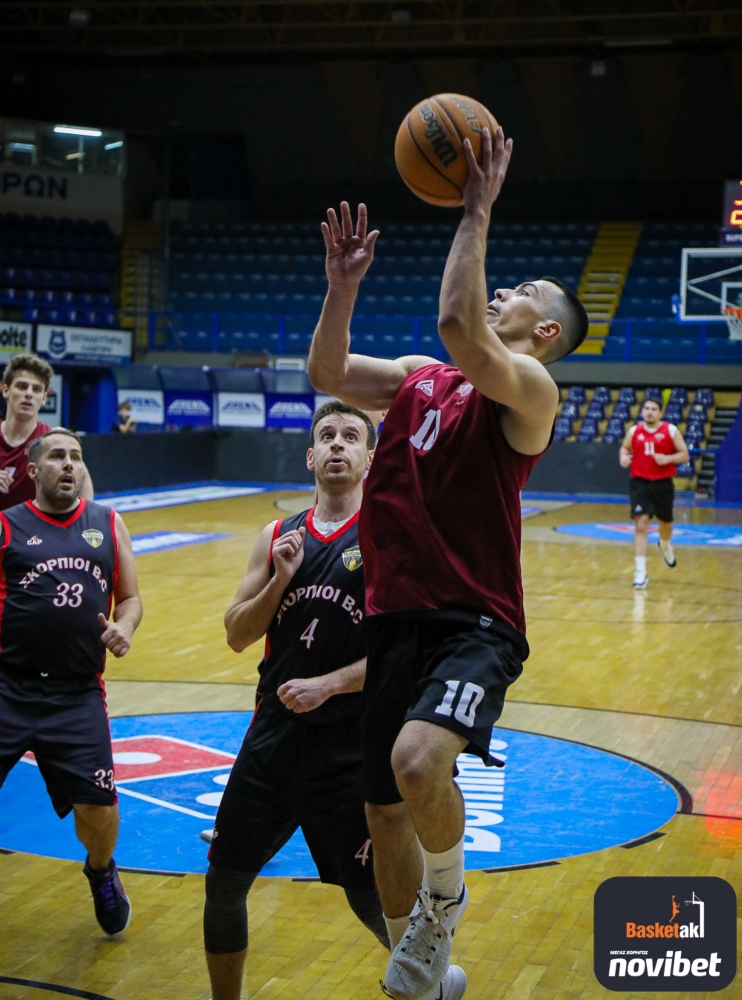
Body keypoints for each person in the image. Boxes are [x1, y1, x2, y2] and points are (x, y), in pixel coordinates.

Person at [307, 128, 589, 1000]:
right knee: (382, 809)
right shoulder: (425, 380)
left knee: (422, 763)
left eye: (525, 292)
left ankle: (443, 903)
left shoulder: (533, 392)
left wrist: (477, 208)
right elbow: (325, 370)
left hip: (476, 621)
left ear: (543, 331)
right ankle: (425, 973)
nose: (504, 287)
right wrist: (341, 291)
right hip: (392, 614)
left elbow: (462, 324)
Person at [202, 401, 396, 1000]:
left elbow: (404, 657)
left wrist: (330, 684)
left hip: (348, 745)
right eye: (326, 437)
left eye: (350, 437)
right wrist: (280, 579)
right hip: (272, 741)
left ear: (370, 456)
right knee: (225, 883)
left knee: (371, 902)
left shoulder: (388, 537)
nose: (338, 445)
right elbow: (236, 633)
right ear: (311, 456)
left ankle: (434, 982)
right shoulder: (277, 535)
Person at [0, 429, 143, 975]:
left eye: (76, 457)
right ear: (33, 469)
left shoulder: (107, 523)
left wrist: (125, 627)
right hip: (4, 686)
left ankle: (102, 871)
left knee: (99, 811)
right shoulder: (3, 526)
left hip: (76, 691)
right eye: (57, 456)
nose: (68, 465)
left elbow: (129, 598)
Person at [0, 353, 95, 607]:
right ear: (6, 391)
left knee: (28, 640)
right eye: (21, 386)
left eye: (36, 389)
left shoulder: (54, 441)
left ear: (44, 397)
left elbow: (86, 499)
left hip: (35, 557)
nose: (28, 394)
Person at [619, 395, 688, 589]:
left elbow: (684, 454)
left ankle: (665, 545)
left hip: (663, 484)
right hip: (640, 483)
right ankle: (640, 571)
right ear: (642, 411)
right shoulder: (635, 431)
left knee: (666, 523)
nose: (649, 411)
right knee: (641, 524)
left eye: (653, 409)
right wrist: (624, 457)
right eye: (646, 408)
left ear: (660, 412)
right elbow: (624, 448)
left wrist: (667, 459)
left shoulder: (670, 430)